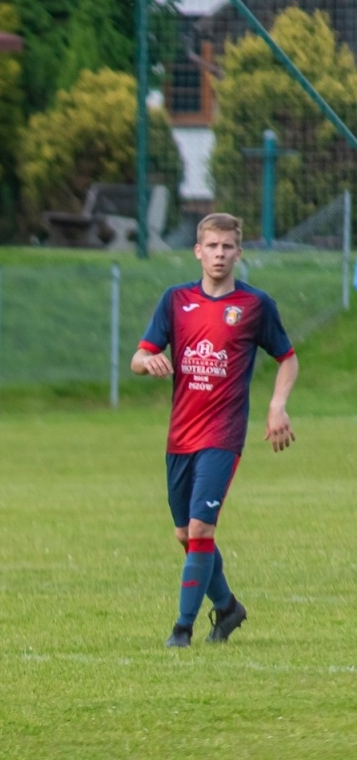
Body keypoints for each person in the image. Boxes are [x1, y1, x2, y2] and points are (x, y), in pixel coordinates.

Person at [131, 212, 298, 648]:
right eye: (212, 246)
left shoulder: (255, 306)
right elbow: (138, 355)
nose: (220, 254)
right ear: (198, 251)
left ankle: (181, 631)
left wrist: (277, 407)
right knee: (185, 535)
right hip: (179, 434)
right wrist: (147, 362)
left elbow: (288, 358)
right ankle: (227, 608)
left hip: (223, 435)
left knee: (202, 529)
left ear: (238, 253)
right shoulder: (175, 300)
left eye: (228, 247)